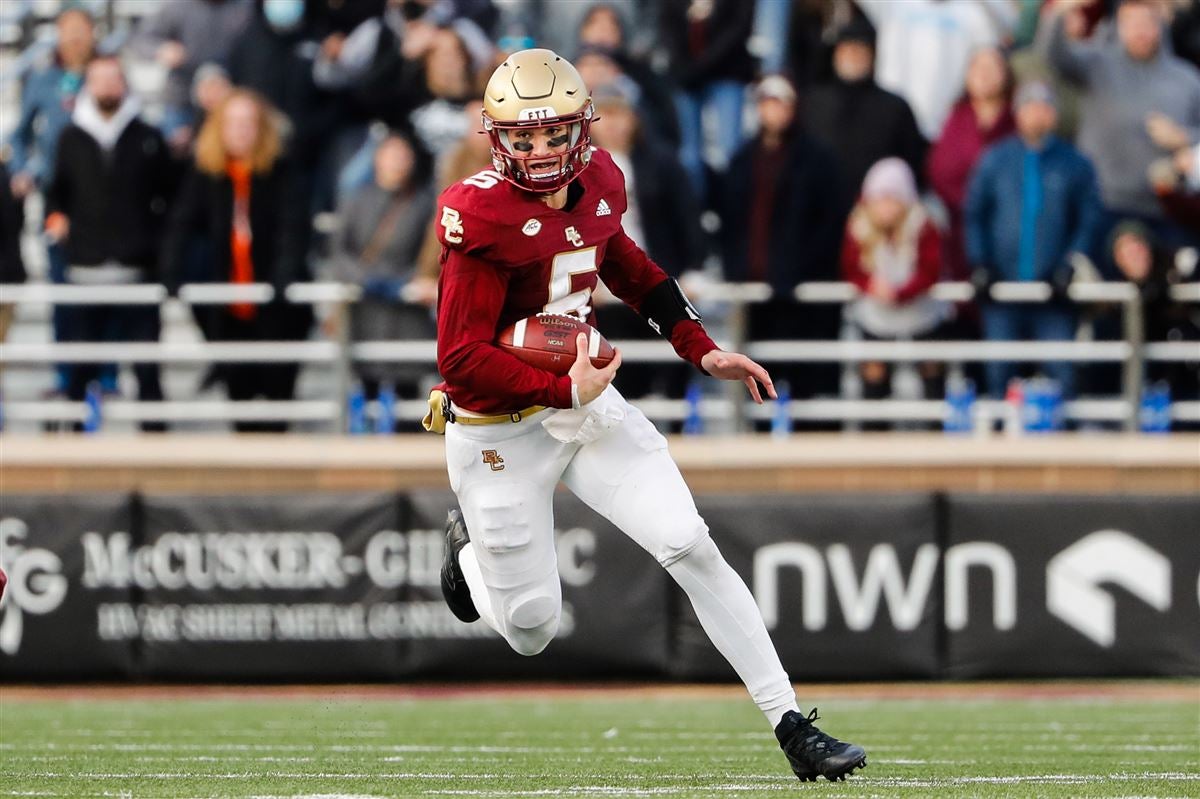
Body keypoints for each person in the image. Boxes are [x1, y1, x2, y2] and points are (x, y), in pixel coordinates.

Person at [429, 49, 866, 783]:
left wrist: (702, 348)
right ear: (495, 136)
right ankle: (467, 558)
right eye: (523, 137)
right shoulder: (477, 218)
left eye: (552, 134)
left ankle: (792, 725)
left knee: (688, 541)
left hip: (587, 403)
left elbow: (625, 264)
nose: (539, 151)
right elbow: (460, 362)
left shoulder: (601, 180)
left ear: (583, 130)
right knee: (532, 630)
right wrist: (565, 391)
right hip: (498, 428)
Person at [163, 89, 314, 433]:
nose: (241, 131)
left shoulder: (283, 172)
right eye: (232, 123)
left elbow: (293, 231)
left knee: (277, 402)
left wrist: (282, 277)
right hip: (228, 308)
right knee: (240, 400)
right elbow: (180, 225)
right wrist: (171, 272)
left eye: (248, 123)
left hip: (276, 307)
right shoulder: (207, 174)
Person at [44, 56, 174, 431]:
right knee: (82, 365)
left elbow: (170, 195)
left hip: (137, 269)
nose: (106, 86)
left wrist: (154, 241)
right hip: (86, 269)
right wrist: (57, 220)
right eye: (98, 79)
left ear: (124, 83)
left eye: (113, 78)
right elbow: (57, 194)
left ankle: (156, 447)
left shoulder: (147, 135)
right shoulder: (71, 136)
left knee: (147, 368)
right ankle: (74, 446)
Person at [965, 80, 1103, 400]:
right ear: (1017, 114)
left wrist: (1071, 263)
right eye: (1029, 107)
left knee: (1061, 372)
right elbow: (975, 214)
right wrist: (981, 262)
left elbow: (1089, 218)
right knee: (999, 371)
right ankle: (1000, 445)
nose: (1036, 115)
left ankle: (1061, 444)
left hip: (1052, 293)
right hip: (1003, 290)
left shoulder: (1075, 163)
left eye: (1044, 107)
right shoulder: (995, 160)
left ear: (1053, 115)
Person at [720, 74, 844, 406]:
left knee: (808, 380)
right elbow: (729, 222)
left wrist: (801, 269)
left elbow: (829, 223)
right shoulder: (742, 160)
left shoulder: (818, 159)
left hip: (803, 291)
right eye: (766, 103)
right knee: (757, 380)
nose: (773, 111)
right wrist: (738, 269)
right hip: (754, 289)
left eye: (780, 102)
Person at [1039, 0, 1200, 252]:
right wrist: (1060, 10)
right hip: (1103, 205)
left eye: (1147, 22)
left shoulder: (1187, 79)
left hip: (1168, 210)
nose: (1140, 30)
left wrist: (1184, 138)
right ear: (1117, 27)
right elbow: (1052, 55)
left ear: (1162, 25)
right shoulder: (1096, 64)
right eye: (1131, 23)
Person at [324, 129, 438, 410]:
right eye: (391, 154)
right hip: (366, 311)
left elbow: (431, 252)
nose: (398, 161)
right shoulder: (355, 200)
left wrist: (412, 282)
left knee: (407, 393)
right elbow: (339, 253)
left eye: (403, 154)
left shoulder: (424, 203)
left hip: (409, 316)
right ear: (377, 159)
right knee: (365, 388)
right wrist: (386, 284)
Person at [841, 158, 947, 410]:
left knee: (932, 377)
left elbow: (931, 269)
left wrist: (900, 292)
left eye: (893, 198)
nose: (886, 207)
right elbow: (850, 267)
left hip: (922, 316)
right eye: (880, 199)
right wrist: (871, 286)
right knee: (874, 380)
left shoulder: (923, 226)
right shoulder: (859, 227)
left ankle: (937, 438)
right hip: (875, 319)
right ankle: (876, 441)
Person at [803, 17, 927, 220]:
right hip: (818, 215)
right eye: (847, 49)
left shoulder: (895, 108)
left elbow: (911, 165)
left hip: (876, 221)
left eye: (860, 50)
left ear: (872, 56)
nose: (853, 56)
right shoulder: (812, 102)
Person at [928, 46, 1017, 284]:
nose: (984, 74)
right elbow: (941, 172)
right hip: (959, 230)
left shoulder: (1017, 121)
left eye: (992, 67)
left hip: (1009, 231)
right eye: (977, 67)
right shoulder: (955, 119)